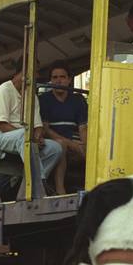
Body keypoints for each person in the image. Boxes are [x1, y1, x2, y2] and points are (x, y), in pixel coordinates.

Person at [0, 65, 63, 194]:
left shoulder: (31, 95)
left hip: (26, 137)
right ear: (24, 72)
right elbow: (2, 124)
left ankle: (28, 185)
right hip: (2, 136)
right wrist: (30, 137)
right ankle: (39, 183)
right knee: (23, 136)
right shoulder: (4, 89)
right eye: (35, 73)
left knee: (56, 148)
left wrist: (37, 137)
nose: (36, 77)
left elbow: (38, 125)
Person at [39, 64, 88, 195]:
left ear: (69, 79)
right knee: (60, 146)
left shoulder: (78, 100)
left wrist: (86, 146)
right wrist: (72, 144)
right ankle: (60, 189)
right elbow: (46, 129)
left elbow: (83, 128)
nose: (58, 81)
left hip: (75, 141)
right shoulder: (44, 100)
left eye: (62, 77)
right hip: (54, 140)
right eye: (55, 77)